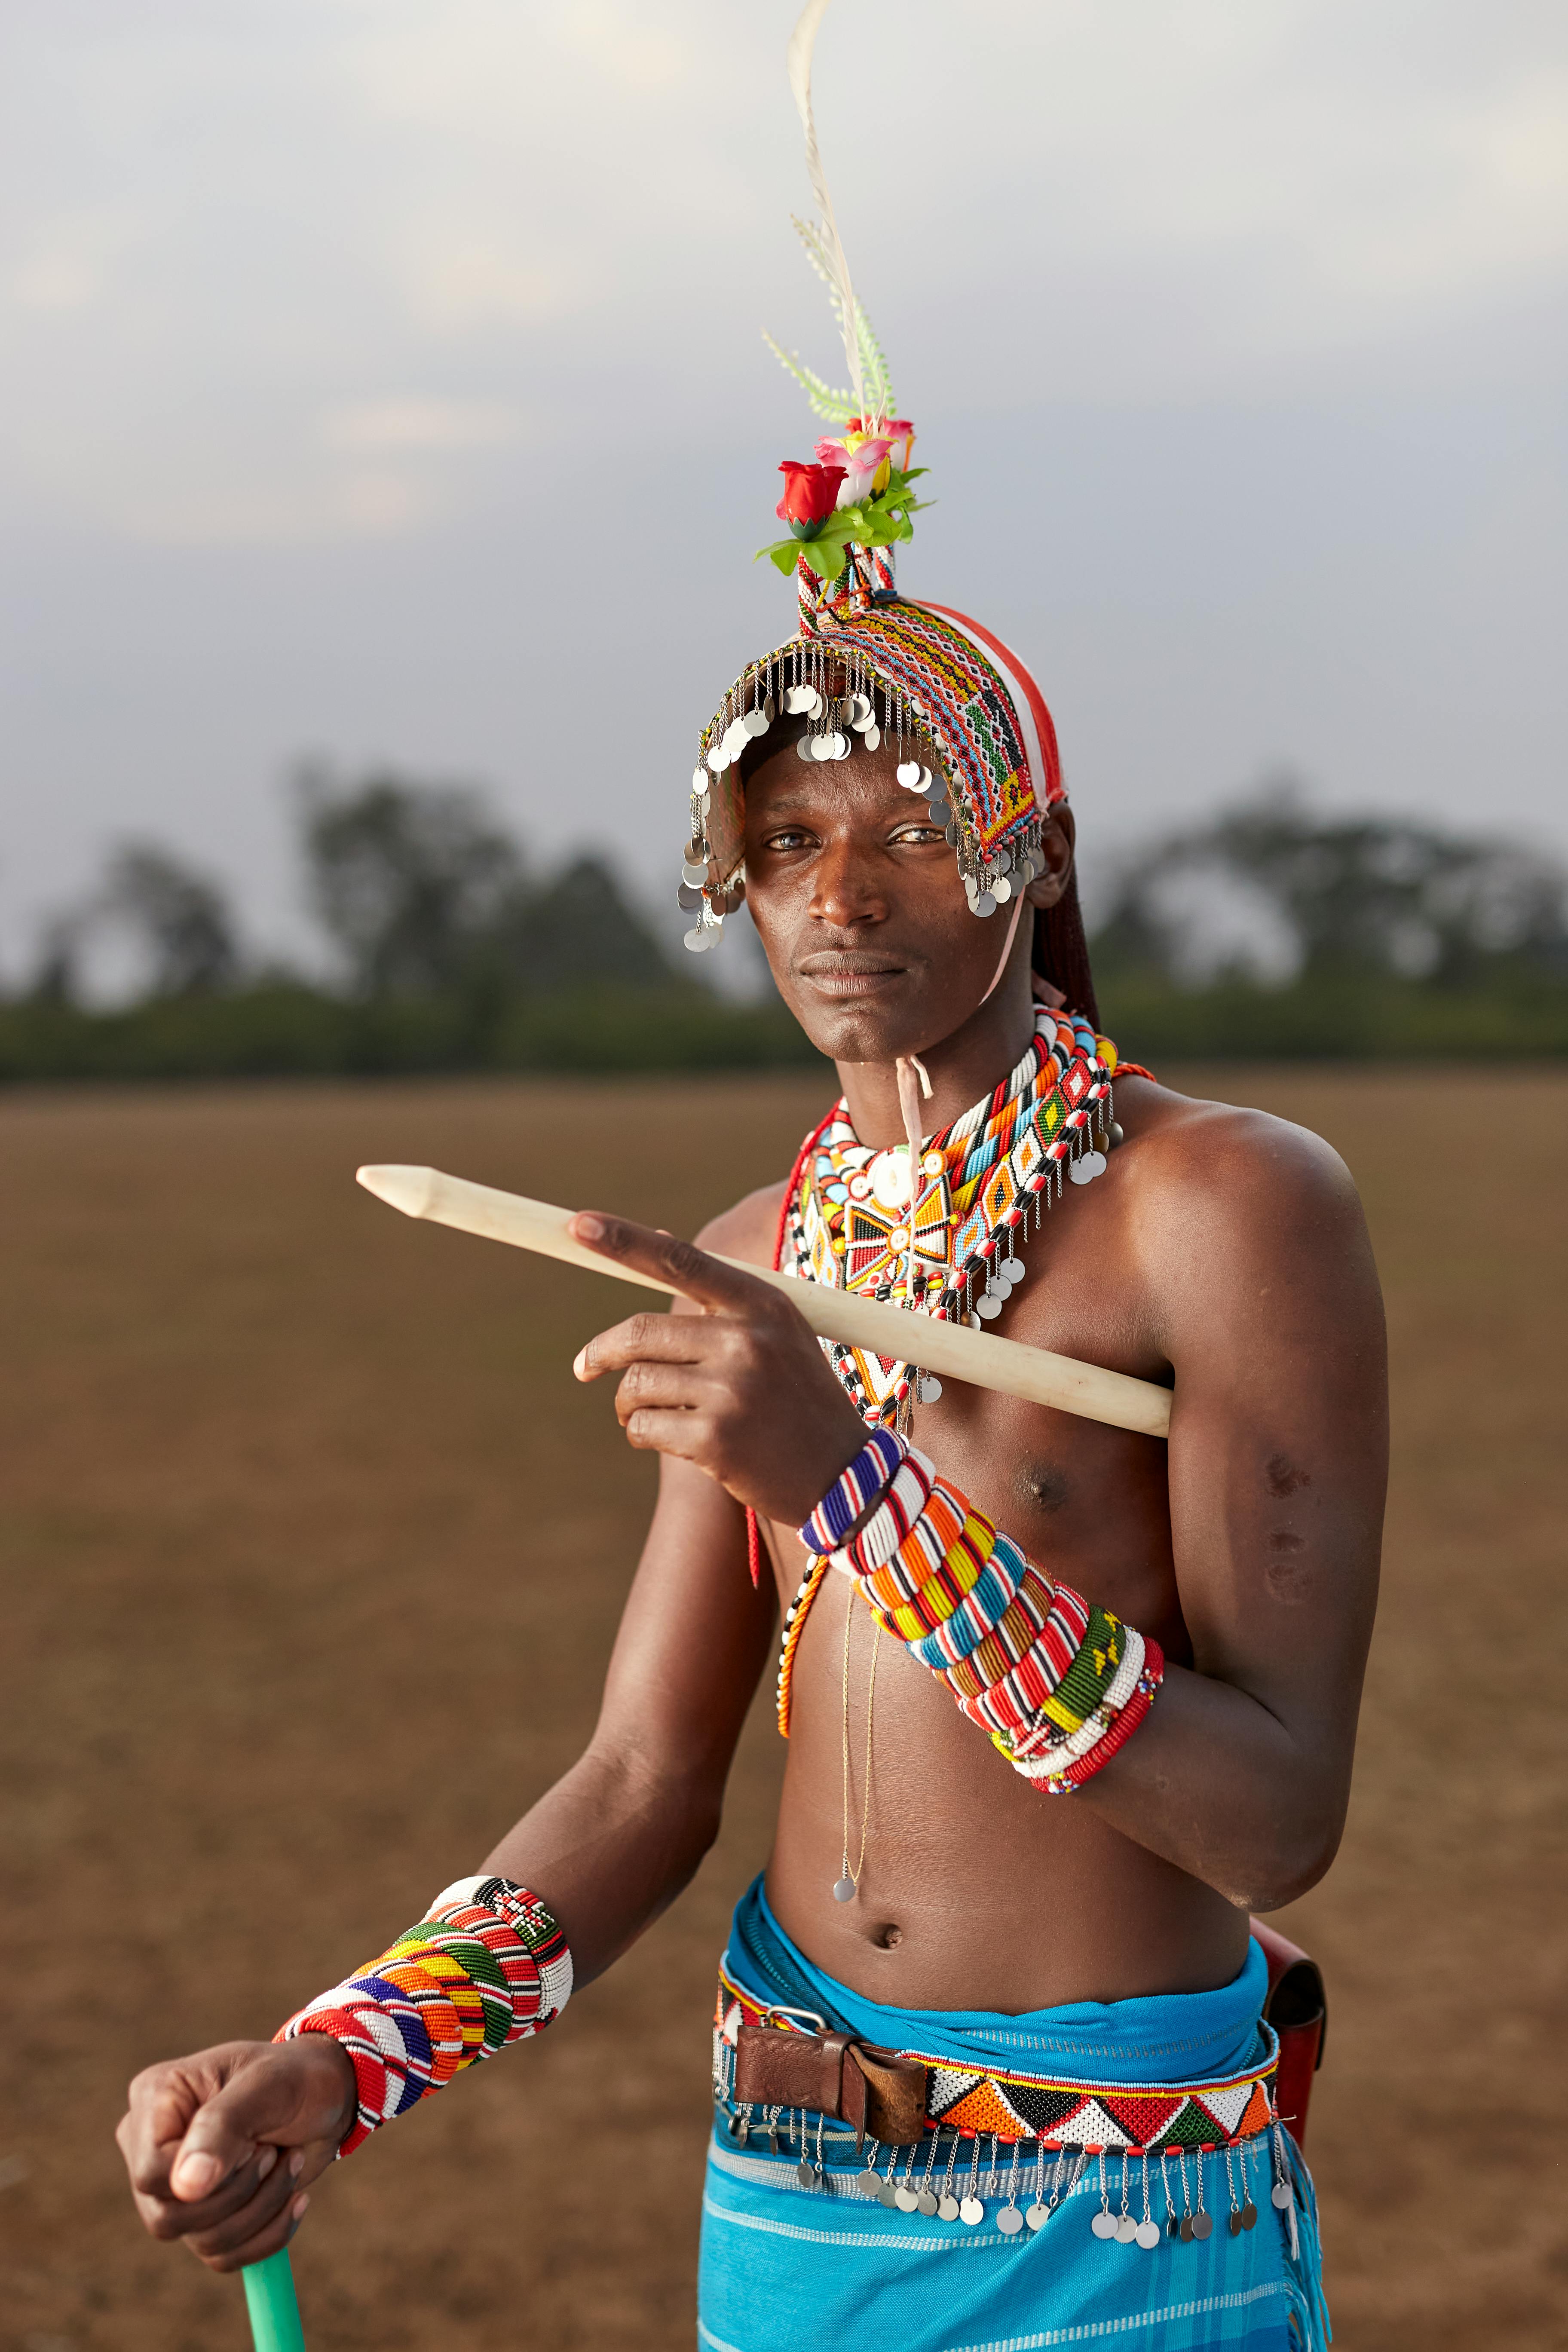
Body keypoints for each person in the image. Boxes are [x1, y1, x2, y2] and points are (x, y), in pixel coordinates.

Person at [115, 12, 1385, 2346]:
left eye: (911, 829)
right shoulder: (758, 1256)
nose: (843, 893)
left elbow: (1275, 1817)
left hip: (1122, 2225)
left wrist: (856, 1487)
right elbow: (639, 1782)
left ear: (1034, 854)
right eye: (787, 842)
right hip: (787, 2201)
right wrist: (345, 2056)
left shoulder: (1226, 1207)